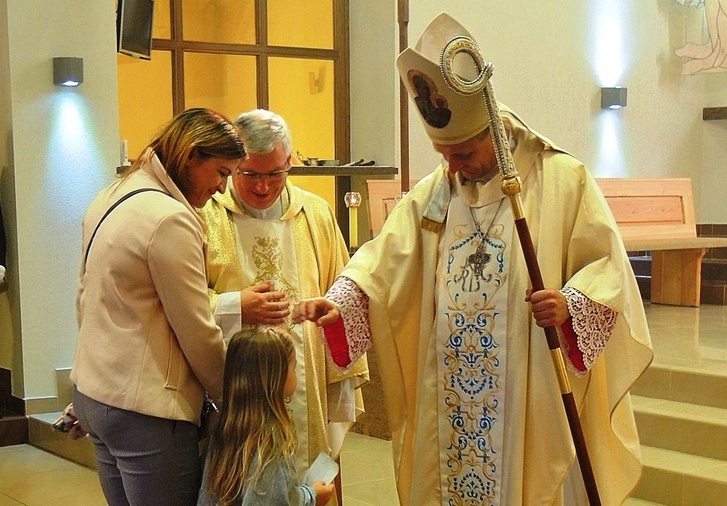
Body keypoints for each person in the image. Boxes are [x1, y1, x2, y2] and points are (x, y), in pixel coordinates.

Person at [293, 12, 654, 505]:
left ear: (495, 131)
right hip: (450, 391)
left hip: (527, 391)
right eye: (445, 154)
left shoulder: (562, 180)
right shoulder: (437, 193)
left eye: (463, 152)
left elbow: (609, 268)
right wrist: (343, 301)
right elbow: (382, 262)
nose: (453, 165)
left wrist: (570, 304)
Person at [70, 108, 246, 506]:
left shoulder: (113, 193)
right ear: (189, 157)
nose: (222, 188)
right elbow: (197, 331)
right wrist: (232, 401)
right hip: (146, 410)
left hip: (95, 392)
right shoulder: (170, 219)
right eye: (221, 172)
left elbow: (85, 294)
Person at [198, 109, 368, 498]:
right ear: (232, 167)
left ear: (290, 163)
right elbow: (180, 304)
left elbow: (346, 288)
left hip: (306, 375)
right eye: (249, 174)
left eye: (274, 174)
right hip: (235, 390)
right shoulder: (205, 215)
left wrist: (331, 308)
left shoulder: (315, 213)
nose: (262, 186)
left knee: (310, 474)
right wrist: (234, 305)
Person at [199, 326, 335, 506]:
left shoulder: (224, 427)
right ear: (280, 377)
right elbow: (272, 500)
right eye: (293, 367)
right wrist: (313, 496)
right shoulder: (269, 442)